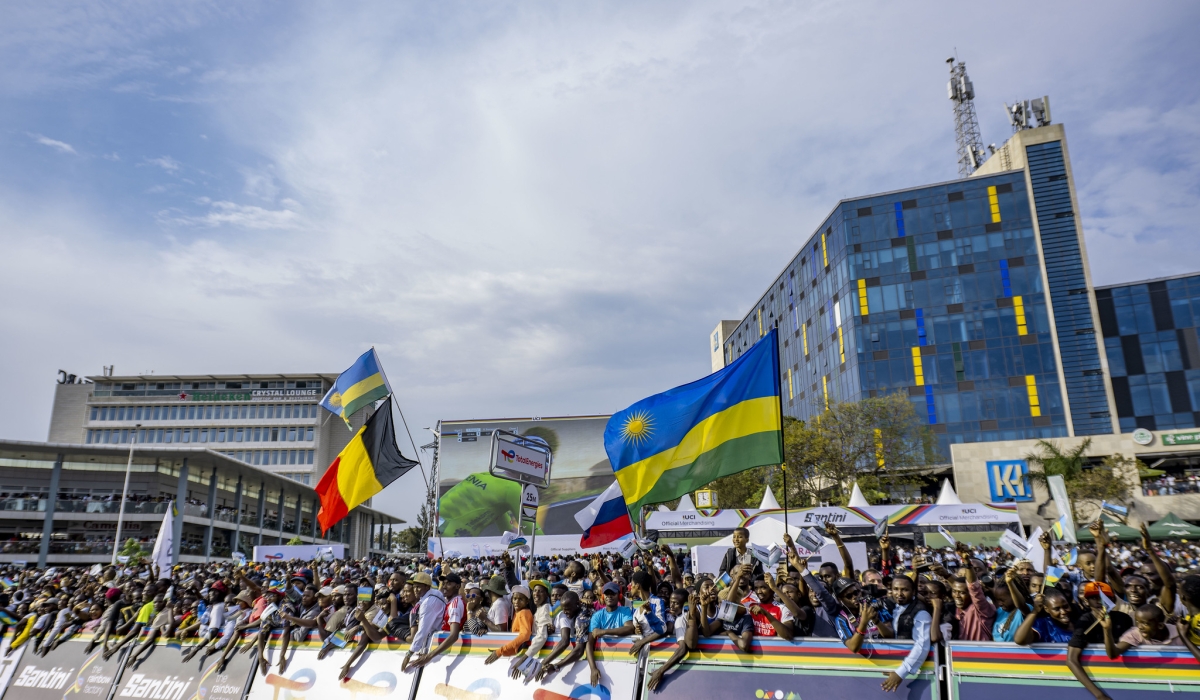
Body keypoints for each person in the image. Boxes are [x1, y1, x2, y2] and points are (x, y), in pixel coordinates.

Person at [879, 575, 931, 692]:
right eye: (896, 589)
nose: (899, 593)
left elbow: (922, 645)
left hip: (912, 672)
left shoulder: (921, 612)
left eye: (905, 590)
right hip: (895, 667)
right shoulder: (892, 607)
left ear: (913, 592)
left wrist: (900, 672)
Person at [587, 582, 635, 686]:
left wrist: (604, 631)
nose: (609, 596)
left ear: (619, 595)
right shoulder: (597, 615)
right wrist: (593, 668)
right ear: (603, 596)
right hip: (602, 662)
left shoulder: (625, 610)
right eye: (607, 594)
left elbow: (629, 628)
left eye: (613, 593)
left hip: (625, 661)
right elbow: (589, 643)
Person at [402, 572, 447, 671]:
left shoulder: (428, 603)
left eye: (418, 587)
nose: (415, 590)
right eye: (414, 587)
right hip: (432, 643)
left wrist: (409, 654)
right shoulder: (431, 596)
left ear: (427, 587)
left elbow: (423, 630)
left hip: (434, 646)